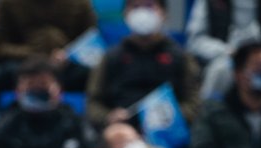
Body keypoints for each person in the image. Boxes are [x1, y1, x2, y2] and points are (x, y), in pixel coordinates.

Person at [86, 0, 202, 130]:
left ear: (164, 13)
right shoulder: (110, 57)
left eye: (149, 6)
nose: (142, 12)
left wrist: (172, 117)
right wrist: (108, 117)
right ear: (125, 14)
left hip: (168, 133)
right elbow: (93, 103)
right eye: (135, 7)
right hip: (121, 132)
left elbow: (194, 103)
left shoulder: (181, 57)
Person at [186, 0, 261, 98]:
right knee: (216, 72)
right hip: (226, 58)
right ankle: (205, 120)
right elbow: (195, 40)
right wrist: (227, 51)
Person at [0, 0, 97, 91]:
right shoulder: (6, 3)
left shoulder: (81, 3)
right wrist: (35, 55)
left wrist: (68, 55)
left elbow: (92, 43)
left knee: (94, 75)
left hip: (67, 66)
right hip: (23, 66)